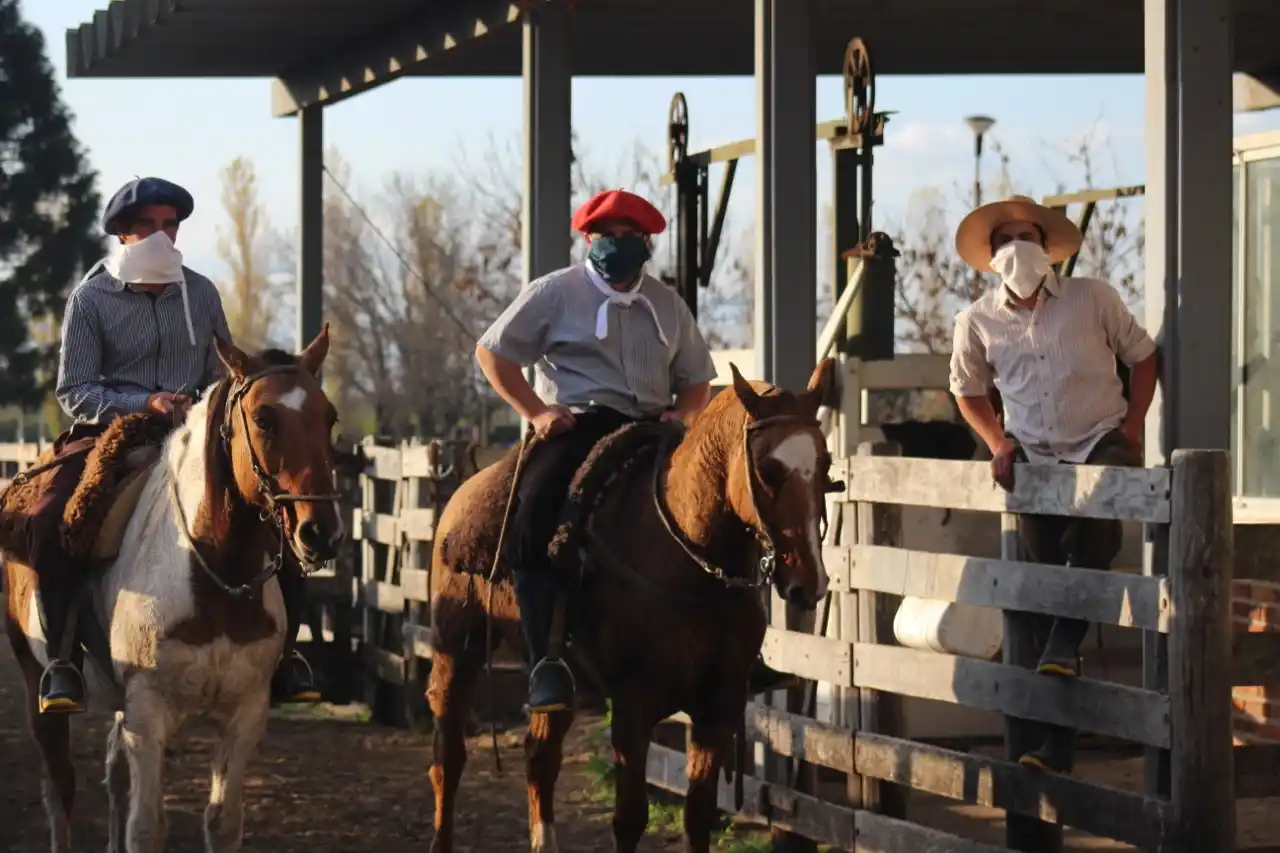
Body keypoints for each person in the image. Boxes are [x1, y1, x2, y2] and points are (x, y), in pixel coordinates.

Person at [33, 176, 319, 714]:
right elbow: (75, 389)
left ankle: (288, 653)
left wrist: (207, 406)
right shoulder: (89, 299)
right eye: (147, 226)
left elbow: (225, 373)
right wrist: (143, 404)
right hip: (113, 437)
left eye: (170, 225)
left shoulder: (202, 291)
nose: (161, 236)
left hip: (201, 437)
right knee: (55, 515)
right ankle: (62, 662)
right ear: (122, 233)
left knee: (277, 513)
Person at [475, 188, 733, 713]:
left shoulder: (667, 304)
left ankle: (737, 647)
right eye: (606, 237)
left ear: (645, 243)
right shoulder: (554, 293)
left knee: (722, 511)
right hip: (576, 425)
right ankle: (546, 662)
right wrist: (539, 413)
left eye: (628, 238)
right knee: (535, 511)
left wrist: (682, 416)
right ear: (588, 239)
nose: (616, 246)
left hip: (654, 428)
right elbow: (493, 354)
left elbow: (696, 380)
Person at [948, 194, 1158, 771]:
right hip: (1034, 458)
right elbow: (966, 391)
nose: (1019, 247)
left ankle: (1065, 650)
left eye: (1028, 236)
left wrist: (1135, 423)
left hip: (1101, 437)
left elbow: (1143, 357)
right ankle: (1055, 744)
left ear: (1047, 248)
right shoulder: (976, 320)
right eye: (1006, 239)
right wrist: (997, 443)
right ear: (992, 258)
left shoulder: (1093, 298)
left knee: (1093, 535)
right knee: (1048, 594)